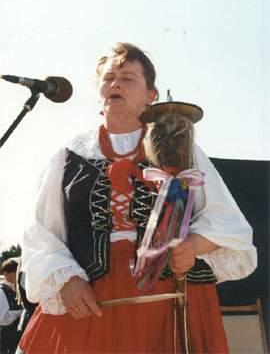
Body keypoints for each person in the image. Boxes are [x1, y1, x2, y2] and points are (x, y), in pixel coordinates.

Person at [17, 42, 257, 354]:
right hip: (89, 296)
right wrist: (66, 281)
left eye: (128, 78)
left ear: (150, 95)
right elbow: (39, 230)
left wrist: (193, 247)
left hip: (168, 294)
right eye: (108, 78)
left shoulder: (181, 150)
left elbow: (227, 222)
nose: (115, 84)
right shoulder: (70, 155)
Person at [0, 259, 22, 354]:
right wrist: (20, 312)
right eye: (14, 273)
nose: (17, 276)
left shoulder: (15, 287)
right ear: (5, 274)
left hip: (15, 332)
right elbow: (2, 319)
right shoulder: (1, 291)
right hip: (7, 334)